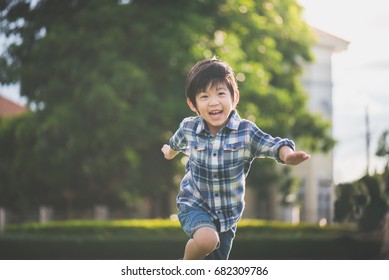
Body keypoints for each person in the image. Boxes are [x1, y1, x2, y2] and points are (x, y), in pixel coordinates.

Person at [161, 58, 310, 260]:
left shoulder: (246, 132)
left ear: (235, 97)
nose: (214, 102)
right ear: (192, 104)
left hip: (227, 217)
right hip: (193, 202)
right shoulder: (189, 128)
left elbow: (273, 144)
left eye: (221, 93)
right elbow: (175, 144)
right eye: (204, 96)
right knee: (206, 240)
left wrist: (288, 155)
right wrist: (169, 152)